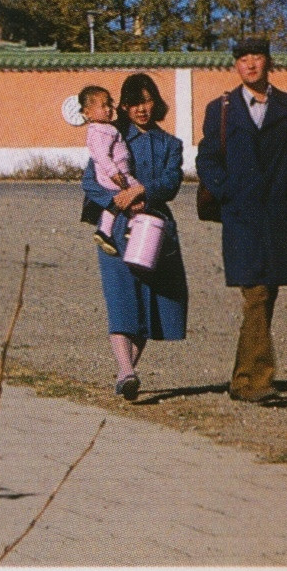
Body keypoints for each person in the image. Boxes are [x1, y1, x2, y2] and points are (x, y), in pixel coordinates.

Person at [196, 37, 287, 406]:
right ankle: (257, 380)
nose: (250, 64)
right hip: (241, 216)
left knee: (266, 295)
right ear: (235, 65)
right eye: (242, 58)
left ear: (269, 63)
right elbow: (207, 158)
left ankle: (242, 378)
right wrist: (226, 191)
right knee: (256, 291)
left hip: (278, 214)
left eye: (257, 57)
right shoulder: (221, 108)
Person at [81, 72, 187, 401]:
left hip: (154, 226)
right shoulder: (110, 136)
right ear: (124, 107)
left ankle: (126, 371)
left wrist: (142, 191)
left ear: (156, 103)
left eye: (147, 100)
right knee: (122, 297)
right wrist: (118, 202)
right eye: (133, 103)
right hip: (116, 229)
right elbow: (90, 180)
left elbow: (171, 182)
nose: (141, 109)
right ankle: (127, 370)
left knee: (152, 299)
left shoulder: (171, 144)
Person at [77, 84, 133, 254]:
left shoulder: (106, 128)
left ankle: (105, 232)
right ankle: (132, 226)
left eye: (109, 104)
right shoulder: (99, 131)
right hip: (115, 175)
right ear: (88, 113)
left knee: (116, 204)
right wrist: (114, 173)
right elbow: (102, 156)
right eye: (103, 106)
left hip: (117, 172)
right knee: (134, 192)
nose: (108, 109)